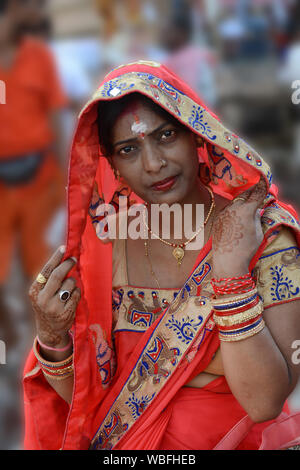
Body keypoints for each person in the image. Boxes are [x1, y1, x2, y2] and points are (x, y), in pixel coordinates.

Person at [23, 61, 300, 450]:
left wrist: (230, 271)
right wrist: (53, 340)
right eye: (129, 149)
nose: (154, 164)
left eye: (166, 135)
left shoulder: (266, 235)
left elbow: (264, 402)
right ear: (113, 164)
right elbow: (95, 406)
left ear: (197, 136)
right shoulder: (105, 247)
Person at [0, 0, 67, 348]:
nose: (40, 10)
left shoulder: (38, 57)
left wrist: (67, 179)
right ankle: (8, 337)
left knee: (38, 271)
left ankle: (38, 347)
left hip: (40, 178)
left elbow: (56, 117)